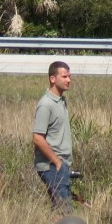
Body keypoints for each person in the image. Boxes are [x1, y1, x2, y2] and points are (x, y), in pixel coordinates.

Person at [33, 60, 73, 208]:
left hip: (61, 165)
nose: (68, 80)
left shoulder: (61, 101)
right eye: (64, 76)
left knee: (58, 208)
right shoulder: (46, 104)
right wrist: (57, 162)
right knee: (65, 211)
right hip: (51, 166)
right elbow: (37, 138)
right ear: (53, 79)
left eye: (69, 76)